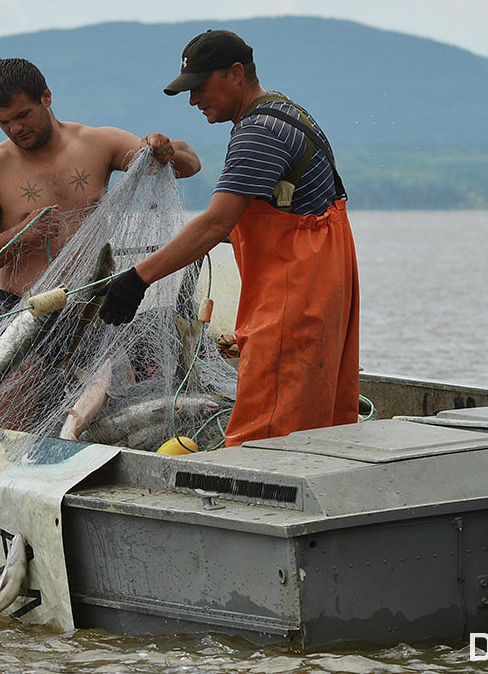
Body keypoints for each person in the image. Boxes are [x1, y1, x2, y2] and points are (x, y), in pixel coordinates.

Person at [98, 30, 360, 447]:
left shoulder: (259, 132)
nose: (193, 100)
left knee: (263, 439)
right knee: (313, 431)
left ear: (236, 73)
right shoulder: (286, 113)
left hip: (294, 300)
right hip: (318, 292)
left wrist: (137, 278)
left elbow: (216, 224)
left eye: (200, 87)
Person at [0, 57, 200, 303]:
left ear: (46, 97)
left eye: (23, 115)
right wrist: (22, 234)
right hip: (21, 308)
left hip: (91, 304)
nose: (15, 129)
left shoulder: (98, 144)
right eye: (4, 122)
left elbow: (190, 163)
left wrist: (164, 148)